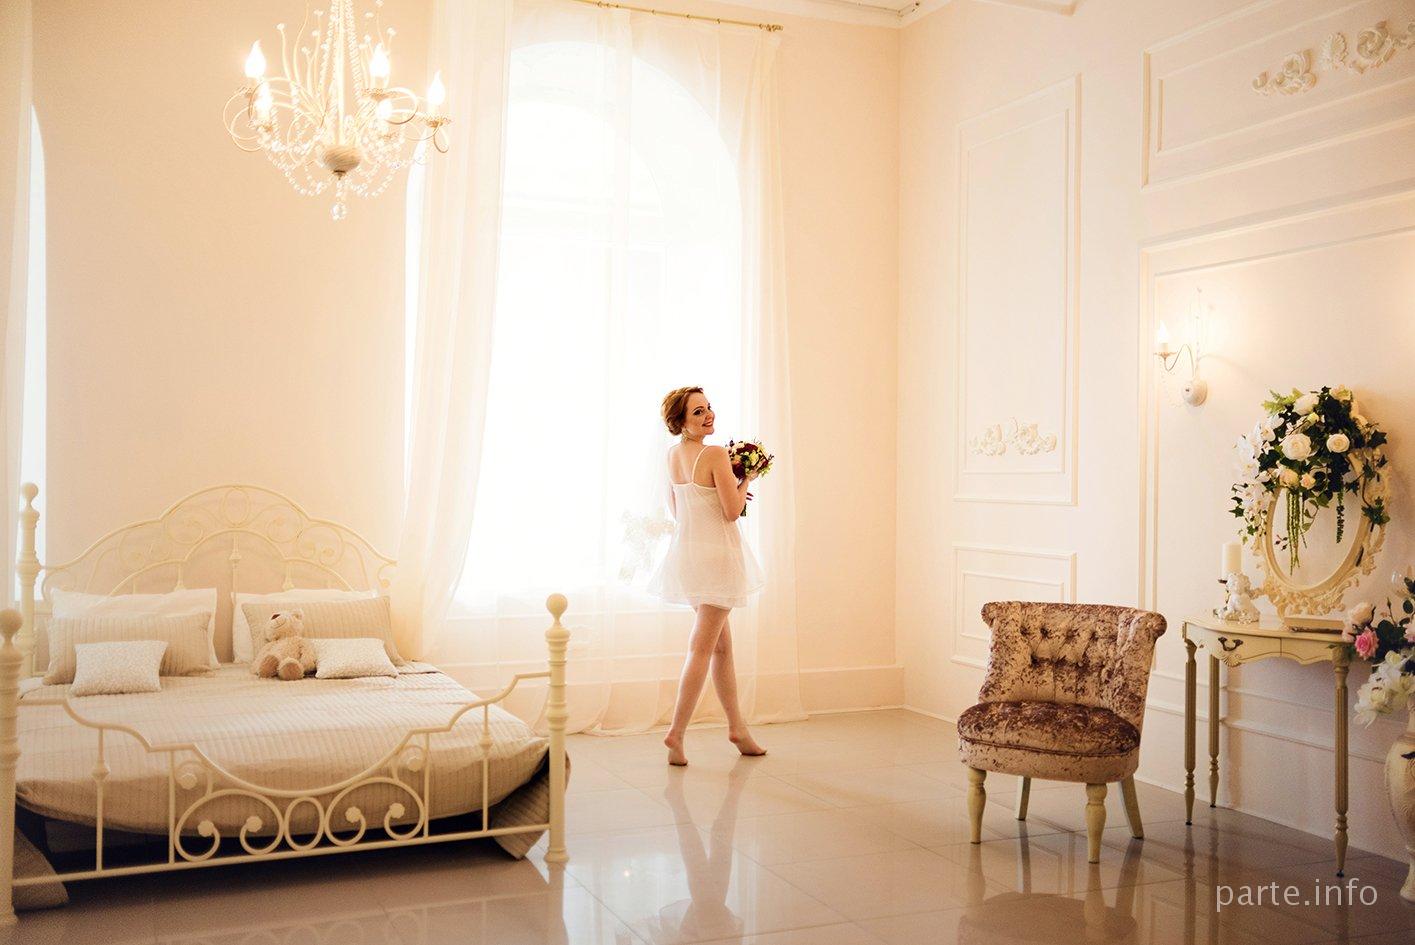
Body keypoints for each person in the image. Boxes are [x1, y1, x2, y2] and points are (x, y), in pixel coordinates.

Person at [648, 386, 767, 766]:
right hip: (717, 559)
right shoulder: (714, 454)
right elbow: (731, 512)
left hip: (689, 557)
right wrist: (746, 480)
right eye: (697, 412)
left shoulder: (673, 456)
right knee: (701, 647)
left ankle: (738, 729)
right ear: (681, 421)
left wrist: (729, 485)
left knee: (721, 648)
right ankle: (676, 732)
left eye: (708, 407)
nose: (708, 415)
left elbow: (678, 510)